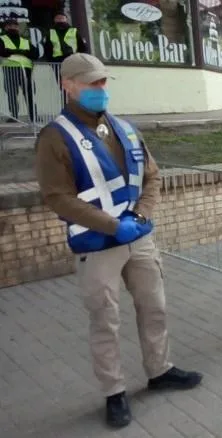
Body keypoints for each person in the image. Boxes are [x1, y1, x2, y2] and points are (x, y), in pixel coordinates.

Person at [34, 53, 203, 428]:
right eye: (91, 83)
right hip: (97, 245)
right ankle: (114, 392)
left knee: (154, 306)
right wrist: (113, 226)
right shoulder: (55, 137)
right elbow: (57, 197)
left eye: (103, 82)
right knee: (105, 320)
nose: (100, 89)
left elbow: (152, 177)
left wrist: (141, 216)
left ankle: (160, 370)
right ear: (68, 85)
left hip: (137, 237)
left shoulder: (125, 129)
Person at [44, 11, 88, 103]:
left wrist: (79, 59)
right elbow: (47, 49)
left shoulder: (74, 31)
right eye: (58, 18)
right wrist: (52, 62)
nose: (60, 20)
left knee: (75, 85)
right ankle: (66, 108)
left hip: (72, 61)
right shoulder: (50, 32)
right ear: (54, 20)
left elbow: (83, 48)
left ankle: (77, 107)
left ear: (66, 19)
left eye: (62, 18)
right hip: (58, 62)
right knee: (63, 87)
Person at [0, 18, 37, 121]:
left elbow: (35, 54)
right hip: (10, 68)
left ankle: (33, 116)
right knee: (12, 93)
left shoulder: (25, 40)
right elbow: (3, 52)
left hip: (26, 69)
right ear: (6, 27)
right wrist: (23, 51)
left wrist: (13, 51)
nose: (13, 27)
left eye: (15, 26)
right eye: (10, 26)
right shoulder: (2, 39)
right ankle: (14, 116)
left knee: (29, 93)